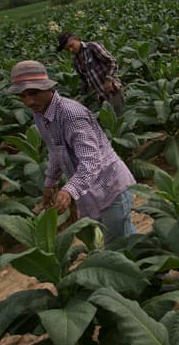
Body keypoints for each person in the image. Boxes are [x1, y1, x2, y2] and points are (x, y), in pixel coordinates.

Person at [7, 60, 136, 244]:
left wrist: (69, 190)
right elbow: (55, 150)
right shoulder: (40, 113)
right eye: (23, 96)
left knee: (120, 245)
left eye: (34, 93)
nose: (29, 101)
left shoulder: (70, 114)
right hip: (91, 191)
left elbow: (91, 161)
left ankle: (155, 272)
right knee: (123, 240)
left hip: (110, 186)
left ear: (47, 88)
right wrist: (50, 182)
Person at [56, 31, 125, 113]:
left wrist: (109, 80)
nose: (71, 50)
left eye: (71, 45)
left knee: (121, 117)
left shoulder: (92, 47)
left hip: (113, 91)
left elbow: (112, 62)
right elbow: (86, 82)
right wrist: (80, 96)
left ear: (76, 39)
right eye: (67, 49)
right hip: (101, 98)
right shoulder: (76, 61)